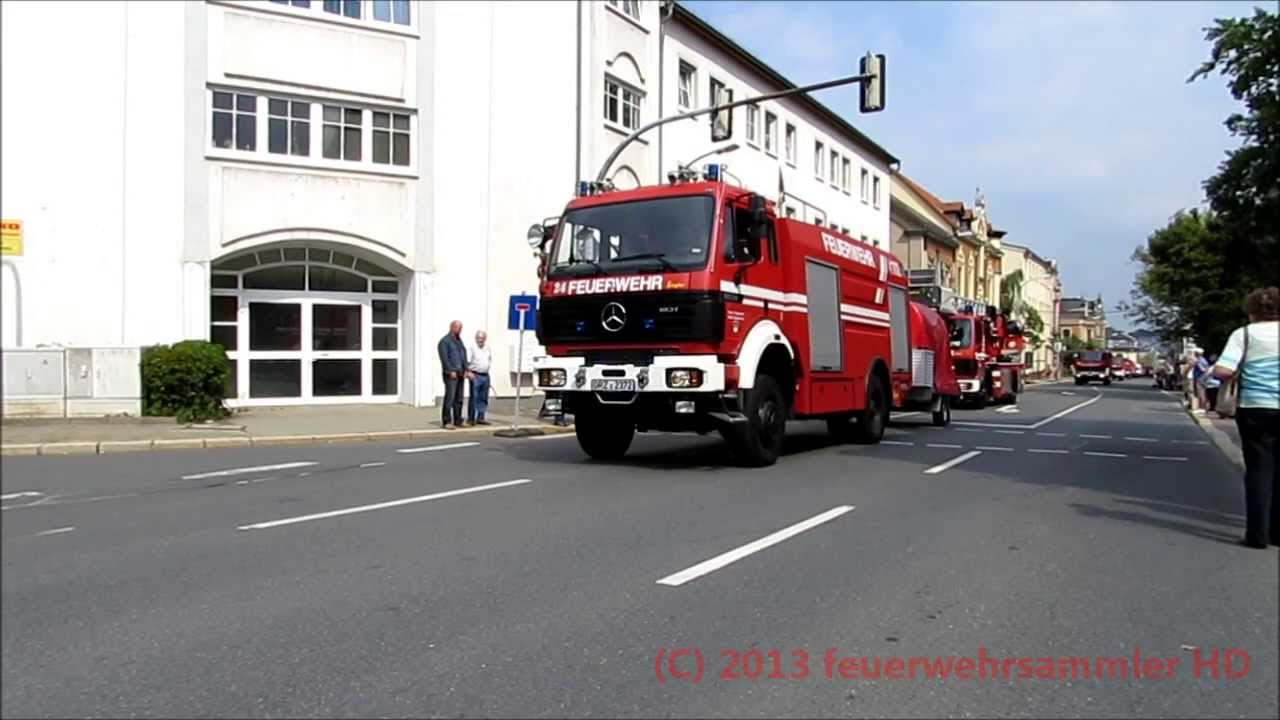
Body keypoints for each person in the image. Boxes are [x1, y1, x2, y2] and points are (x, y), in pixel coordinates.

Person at [1212, 287, 1280, 550]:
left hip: (1256, 408)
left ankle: (1257, 535)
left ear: (1252, 311)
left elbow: (1222, 371)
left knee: (1259, 470)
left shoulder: (1244, 335)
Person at [437, 320, 467, 429]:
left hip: (460, 373)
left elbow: (463, 356)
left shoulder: (459, 341)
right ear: (451, 327)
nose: (459, 329)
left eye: (460, 328)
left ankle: (458, 420)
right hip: (451, 374)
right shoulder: (445, 341)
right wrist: (450, 371)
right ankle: (446, 421)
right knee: (450, 397)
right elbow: (444, 358)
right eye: (457, 327)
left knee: (459, 398)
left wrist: (466, 369)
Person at [466, 330, 492, 426]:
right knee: (474, 397)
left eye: (481, 338)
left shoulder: (487, 348)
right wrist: (468, 372)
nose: (480, 340)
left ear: (485, 339)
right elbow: (467, 361)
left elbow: (489, 360)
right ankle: (471, 419)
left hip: (485, 375)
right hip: (475, 375)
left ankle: (481, 417)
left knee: (483, 398)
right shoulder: (472, 348)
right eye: (478, 338)